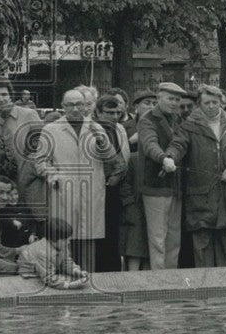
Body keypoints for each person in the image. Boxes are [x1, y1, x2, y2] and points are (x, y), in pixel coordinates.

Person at [34, 89, 124, 271]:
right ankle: (65, 280)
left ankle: (88, 280)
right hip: (63, 192)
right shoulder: (51, 130)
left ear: (85, 106)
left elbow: (112, 160)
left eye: (79, 104)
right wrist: (53, 174)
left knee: (89, 239)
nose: (75, 109)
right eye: (70, 104)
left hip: (91, 191)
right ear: (63, 106)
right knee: (64, 238)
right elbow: (40, 162)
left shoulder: (96, 127)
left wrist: (102, 142)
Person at [164, 84, 226, 267]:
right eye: (207, 102)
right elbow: (178, 145)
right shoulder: (189, 125)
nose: (212, 106)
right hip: (200, 195)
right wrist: (170, 157)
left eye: (215, 102)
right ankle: (203, 288)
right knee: (201, 244)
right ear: (199, 104)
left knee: (224, 243)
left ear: (221, 103)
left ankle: (224, 288)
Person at [137, 82, 187, 270]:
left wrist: (172, 156)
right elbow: (149, 144)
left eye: (177, 99)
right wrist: (163, 158)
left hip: (175, 187)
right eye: (170, 99)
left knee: (174, 237)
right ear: (159, 98)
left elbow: (181, 143)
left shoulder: (178, 119)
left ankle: (171, 276)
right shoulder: (147, 119)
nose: (174, 103)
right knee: (158, 238)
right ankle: (159, 278)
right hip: (155, 187)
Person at [95, 95, 131, 271]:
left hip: (116, 185)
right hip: (101, 185)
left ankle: (113, 267)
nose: (115, 116)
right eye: (109, 113)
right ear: (99, 113)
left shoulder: (119, 129)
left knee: (114, 230)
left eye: (117, 112)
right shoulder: (95, 131)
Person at [0, 79, 39, 202]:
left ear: (10, 96)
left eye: (4, 94)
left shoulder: (29, 114)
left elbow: (44, 146)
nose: (0, 99)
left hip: (30, 182)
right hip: (5, 186)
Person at [17, 217, 89, 289]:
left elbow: (66, 262)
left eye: (69, 239)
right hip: (30, 277)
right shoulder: (41, 252)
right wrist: (69, 285)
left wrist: (76, 271)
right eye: (65, 240)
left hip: (47, 271)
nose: (68, 242)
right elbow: (49, 278)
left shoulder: (61, 245)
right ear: (53, 239)